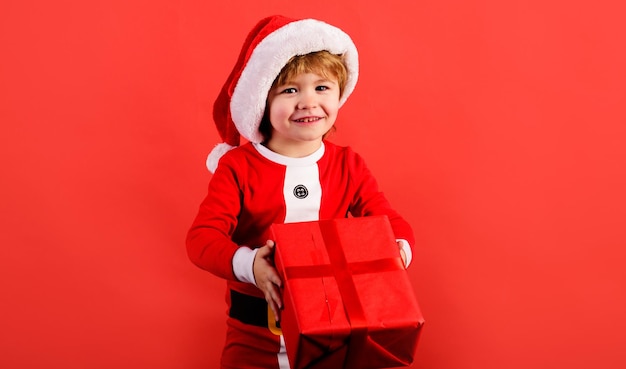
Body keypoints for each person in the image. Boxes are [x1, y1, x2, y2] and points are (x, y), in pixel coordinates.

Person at [186, 15, 415, 369]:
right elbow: (202, 239)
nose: (308, 102)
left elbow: (391, 222)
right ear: (262, 100)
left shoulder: (348, 165)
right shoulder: (238, 167)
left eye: (321, 88)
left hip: (335, 333)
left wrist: (395, 252)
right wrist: (250, 265)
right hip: (254, 337)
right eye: (290, 90)